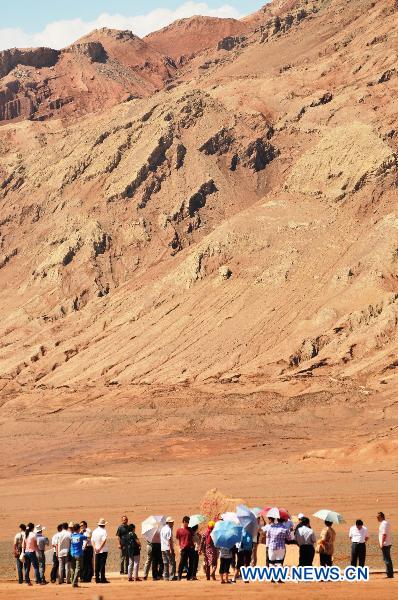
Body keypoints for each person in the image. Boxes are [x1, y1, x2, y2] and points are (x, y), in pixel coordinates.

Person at [176, 516, 194, 580]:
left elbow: (193, 538)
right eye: (186, 522)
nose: (187, 523)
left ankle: (189, 576)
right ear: (183, 522)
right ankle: (179, 576)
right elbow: (178, 539)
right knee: (182, 562)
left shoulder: (190, 529)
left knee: (191, 562)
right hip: (183, 548)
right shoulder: (179, 530)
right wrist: (179, 547)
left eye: (188, 522)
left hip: (190, 547)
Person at [92, 518, 110, 584]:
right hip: (103, 550)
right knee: (102, 565)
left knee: (97, 565)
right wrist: (100, 548)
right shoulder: (104, 531)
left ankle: (97, 578)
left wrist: (95, 548)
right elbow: (104, 540)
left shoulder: (94, 531)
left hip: (96, 550)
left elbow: (92, 540)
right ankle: (102, 578)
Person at [70, 523, 87, 588]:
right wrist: (82, 532)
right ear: (78, 529)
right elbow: (86, 538)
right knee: (78, 568)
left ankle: (74, 582)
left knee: (73, 568)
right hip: (79, 554)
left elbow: (77, 537)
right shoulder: (80, 536)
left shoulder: (72, 536)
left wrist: (81, 532)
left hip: (72, 553)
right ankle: (74, 582)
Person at [377, 512, 394, 578]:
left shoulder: (383, 524)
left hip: (385, 544)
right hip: (387, 543)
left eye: (378, 517)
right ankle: (390, 574)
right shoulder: (385, 523)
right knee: (387, 559)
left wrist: (382, 543)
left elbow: (384, 534)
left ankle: (389, 574)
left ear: (381, 517)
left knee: (387, 559)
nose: (377, 518)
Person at [161, 517, 176, 581]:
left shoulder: (162, 529)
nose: (173, 523)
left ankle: (166, 577)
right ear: (169, 522)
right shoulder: (169, 529)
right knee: (172, 562)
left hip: (163, 548)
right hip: (168, 547)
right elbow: (169, 539)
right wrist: (171, 548)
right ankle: (172, 576)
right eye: (172, 522)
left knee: (165, 562)